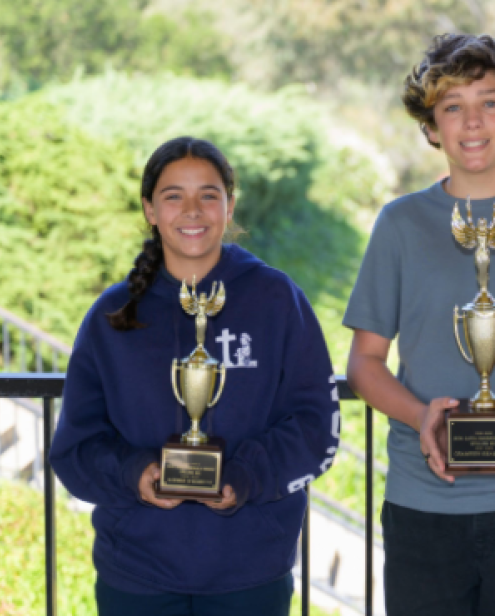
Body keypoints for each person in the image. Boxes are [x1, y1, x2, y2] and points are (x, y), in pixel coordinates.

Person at [49, 136, 340, 616]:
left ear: (229, 206)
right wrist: (133, 474)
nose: (192, 210)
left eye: (208, 194)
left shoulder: (275, 299)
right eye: (172, 195)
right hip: (136, 576)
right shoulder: (113, 315)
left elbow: (316, 426)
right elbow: (76, 448)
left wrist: (245, 476)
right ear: (149, 209)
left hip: (251, 575)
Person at [345, 33, 495, 616]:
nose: (474, 121)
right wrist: (420, 415)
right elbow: (364, 362)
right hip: (425, 509)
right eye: (453, 106)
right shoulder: (401, 224)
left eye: (489, 101)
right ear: (432, 128)